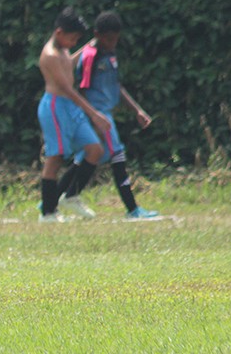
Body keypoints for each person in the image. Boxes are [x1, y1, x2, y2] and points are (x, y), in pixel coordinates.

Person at [56, 11, 159, 219]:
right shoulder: (91, 56)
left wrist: (137, 110)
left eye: (116, 39)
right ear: (97, 35)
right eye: (109, 39)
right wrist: (91, 118)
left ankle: (51, 200)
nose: (113, 43)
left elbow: (116, 86)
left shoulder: (109, 54)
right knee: (117, 155)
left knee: (83, 158)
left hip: (105, 115)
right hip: (98, 117)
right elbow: (81, 88)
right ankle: (132, 209)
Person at [35, 7, 110, 222]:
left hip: (70, 107)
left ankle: (71, 195)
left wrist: (88, 48)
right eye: (73, 38)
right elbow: (67, 88)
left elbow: (68, 63)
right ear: (59, 33)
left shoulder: (63, 50)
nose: (74, 42)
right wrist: (94, 114)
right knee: (55, 158)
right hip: (55, 107)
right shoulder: (49, 55)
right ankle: (48, 213)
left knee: (94, 150)